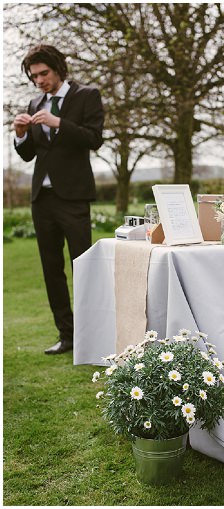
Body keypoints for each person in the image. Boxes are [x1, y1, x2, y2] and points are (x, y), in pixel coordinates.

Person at [13, 44, 104, 354]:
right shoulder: (35, 102)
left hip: (74, 197)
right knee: (52, 269)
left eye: (44, 73)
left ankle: (90, 336)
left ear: (59, 69)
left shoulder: (87, 95)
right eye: (34, 75)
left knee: (83, 267)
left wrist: (59, 124)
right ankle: (67, 336)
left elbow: (94, 139)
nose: (39, 80)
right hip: (42, 199)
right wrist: (21, 134)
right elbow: (28, 154)